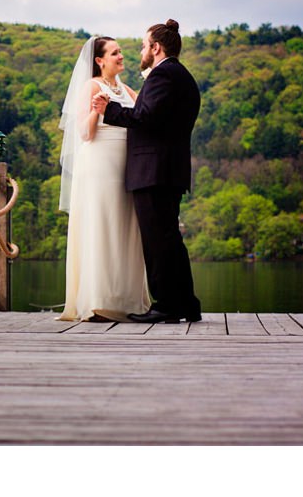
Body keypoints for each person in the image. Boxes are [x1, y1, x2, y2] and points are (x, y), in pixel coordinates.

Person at [93, 19, 202, 323]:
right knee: (170, 240)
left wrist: (109, 111)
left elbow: (145, 116)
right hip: (168, 169)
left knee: (157, 241)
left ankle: (166, 304)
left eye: (143, 45)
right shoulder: (180, 76)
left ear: (156, 47)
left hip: (154, 170)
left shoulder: (163, 75)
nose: (140, 51)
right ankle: (187, 304)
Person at [57, 35, 151, 323]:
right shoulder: (91, 86)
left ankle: (127, 299)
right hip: (99, 166)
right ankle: (97, 302)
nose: (121, 56)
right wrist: (98, 111)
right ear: (99, 61)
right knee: (102, 225)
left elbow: (142, 117)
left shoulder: (127, 89)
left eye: (121, 51)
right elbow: (84, 134)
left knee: (125, 226)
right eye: (115, 53)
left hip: (126, 166)